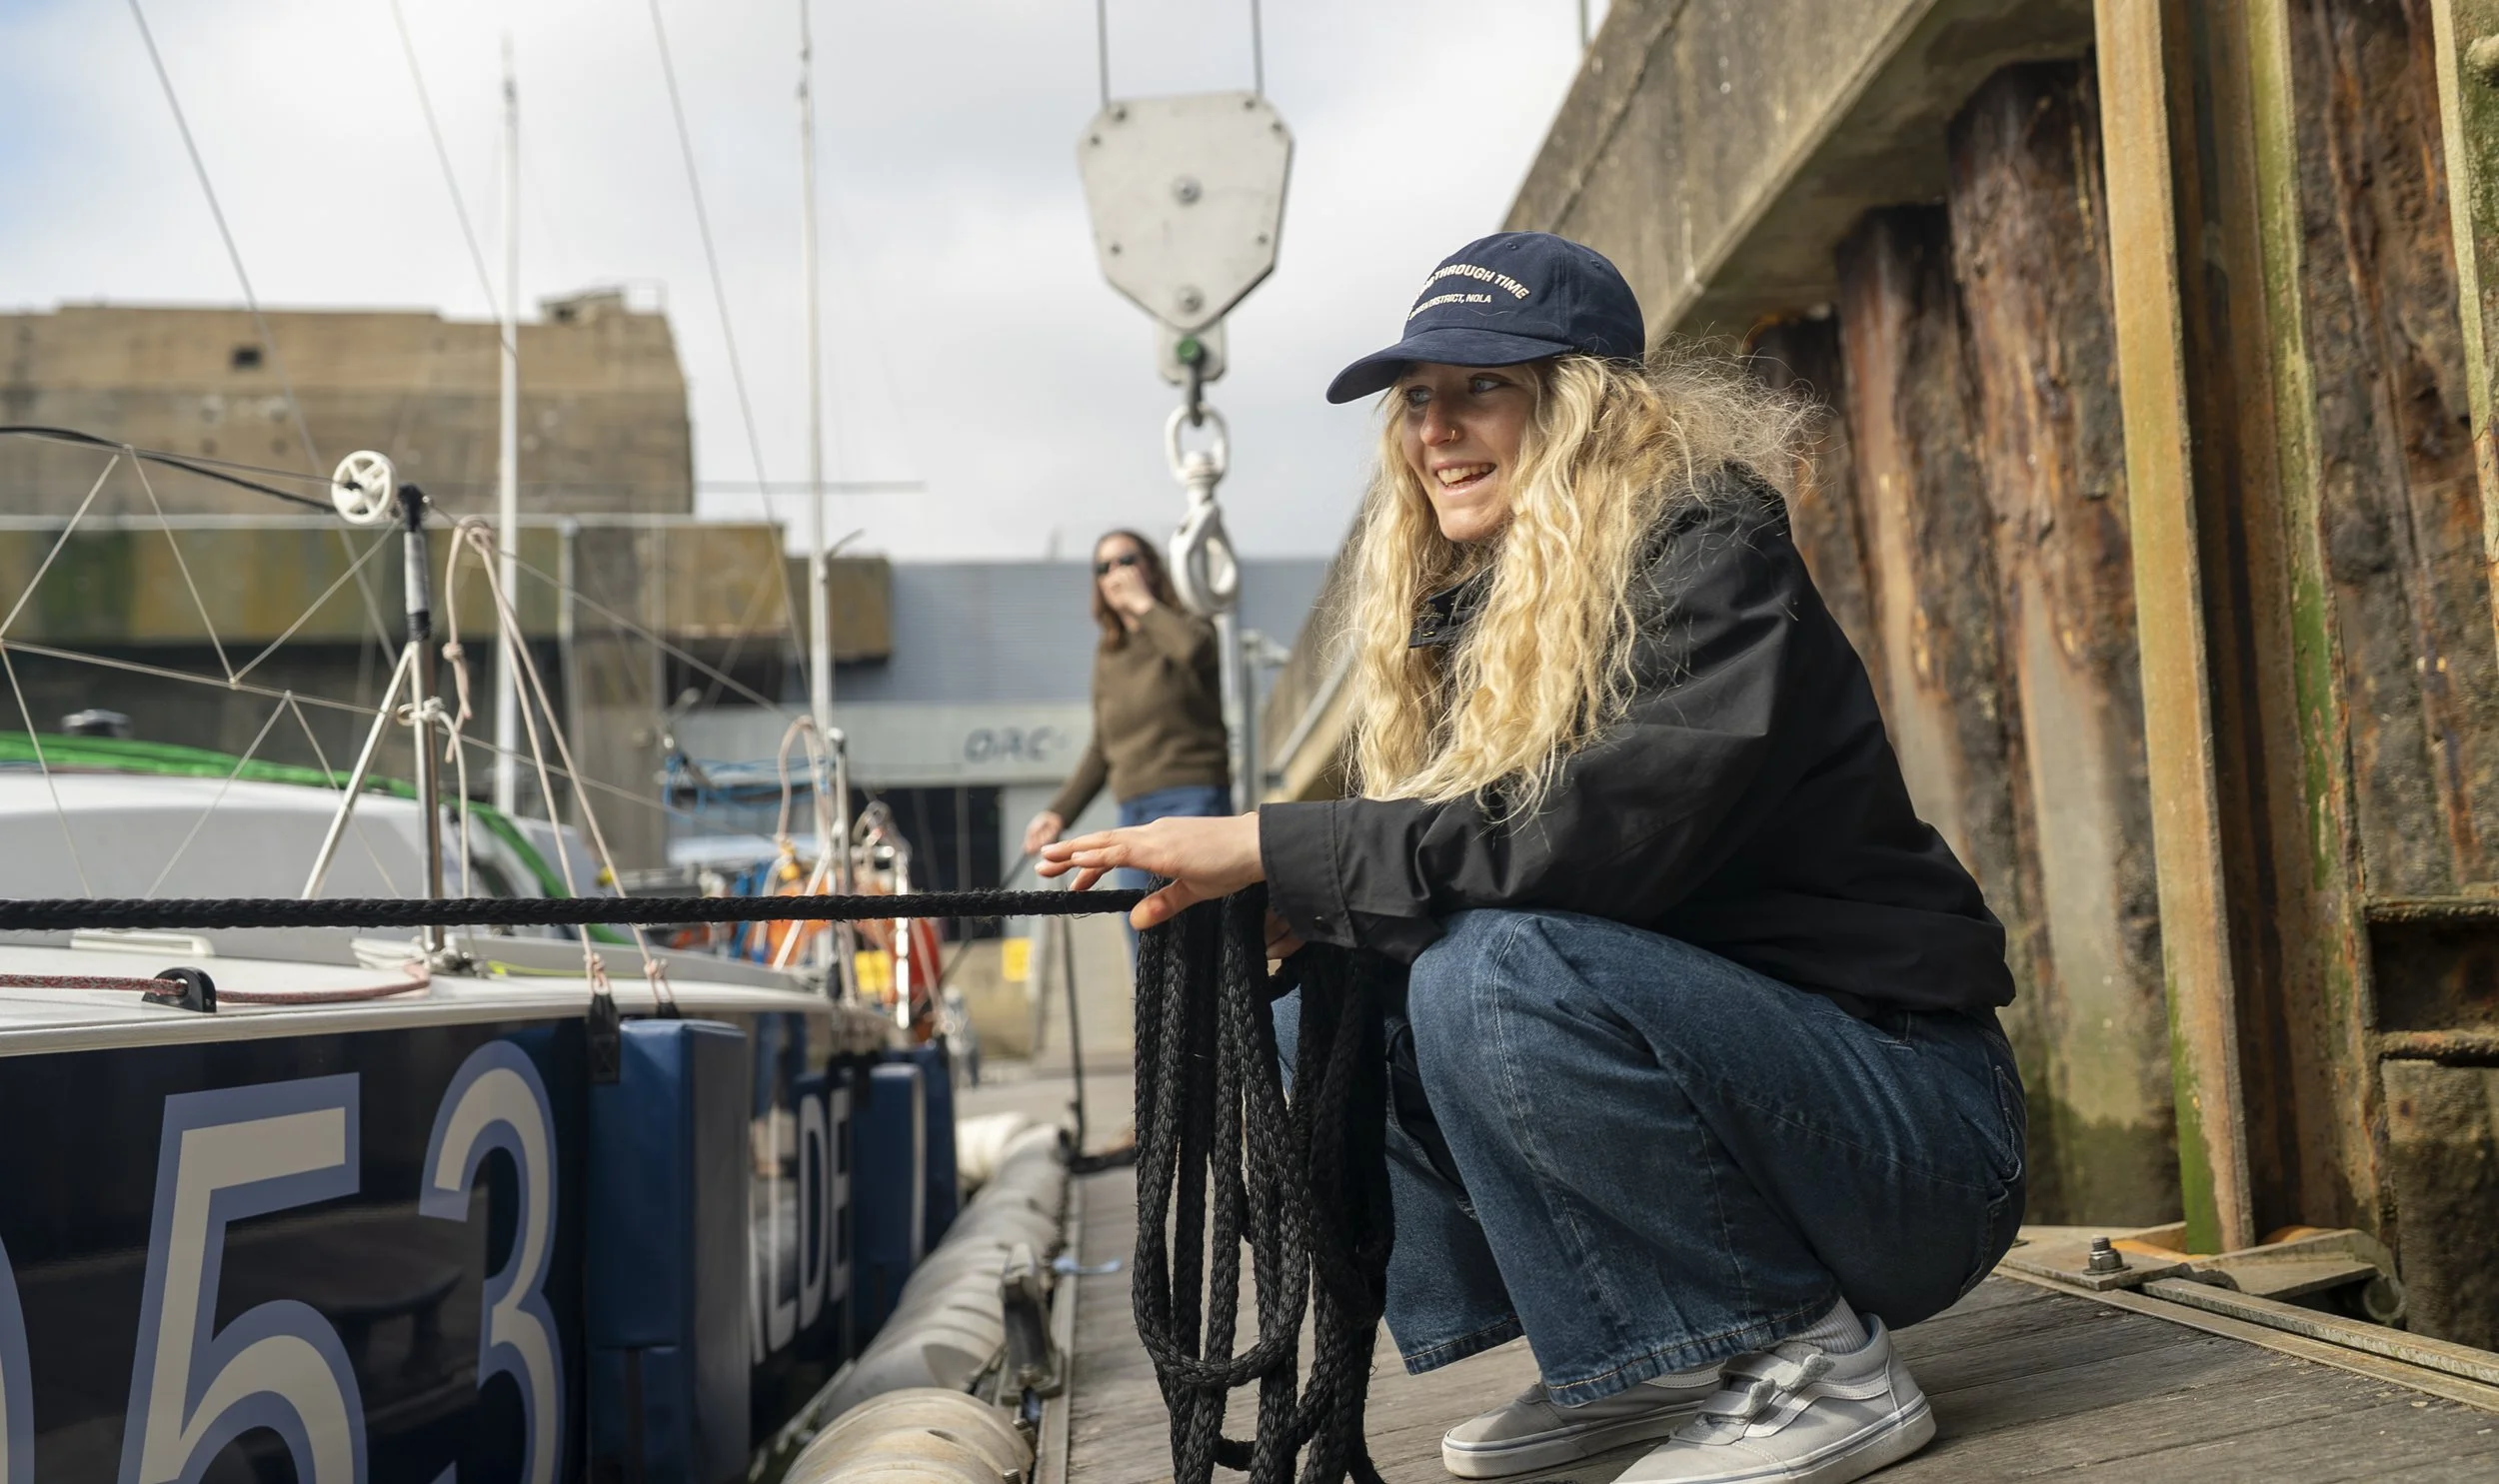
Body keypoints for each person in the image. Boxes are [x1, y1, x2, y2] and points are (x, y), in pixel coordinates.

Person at [1040, 232, 2023, 1484]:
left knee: (1491, 975)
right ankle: (1648, 1348)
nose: (1436, 431)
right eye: (1416, 402)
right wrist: (1317, 909)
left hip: (1914, 1140)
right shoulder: (1480, 615)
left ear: (1585, 404)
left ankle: (1821, 1364)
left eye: (1482, 389)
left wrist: (1284, 842)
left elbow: (1595, 843)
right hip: (1772, 1121)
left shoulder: (1709, 554)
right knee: (1304, 1025)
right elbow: (1485, 866)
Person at [1022, 531, 1232, 912]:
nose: (1116, 573)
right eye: (1104, 567)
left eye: (1127, 561)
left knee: (1202, 930)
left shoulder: (1186, 625)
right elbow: (1104, 746)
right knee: (1145, 931)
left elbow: (1196, 650)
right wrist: (1058, 813)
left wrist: (1142, 604)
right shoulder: (1109, 654)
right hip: (1133, 813)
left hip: (1194, 800)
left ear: (1150, 566)